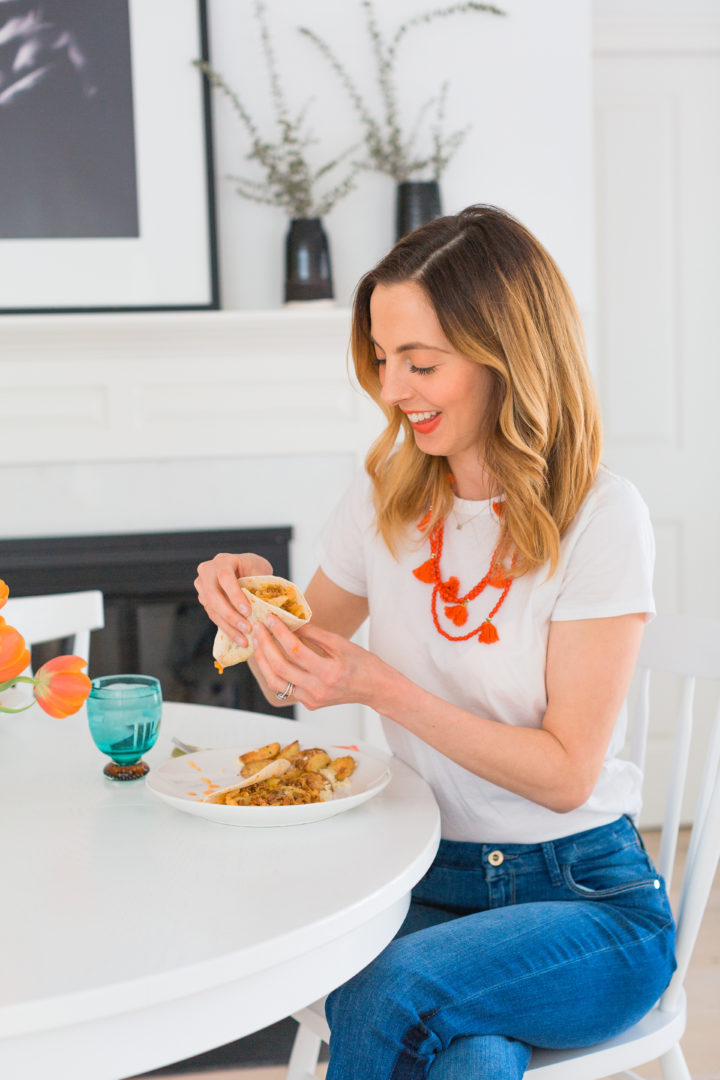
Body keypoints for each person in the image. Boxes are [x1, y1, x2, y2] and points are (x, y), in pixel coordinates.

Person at [194, 205, 676, 1080]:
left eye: (421, 363)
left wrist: (381, 688)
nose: (392, 388)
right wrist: (247, 601)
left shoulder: (602, 516)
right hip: (422, 878)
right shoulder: (385, 494)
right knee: (470, 1058)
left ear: (507, 358)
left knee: (394, 989)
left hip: (584, 900)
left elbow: (568, 775)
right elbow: (294, 673)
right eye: (382, 360)